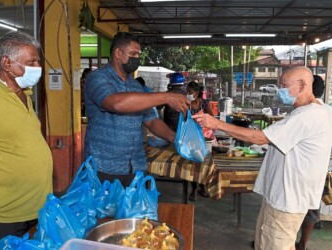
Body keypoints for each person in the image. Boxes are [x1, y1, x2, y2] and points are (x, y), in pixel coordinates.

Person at [192, 66, 332, 250]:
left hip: (286, 199)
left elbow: (262, 138)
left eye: (284, 84)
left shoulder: (307, 115)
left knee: (274, 244)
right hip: (284, 196)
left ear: (303, 85)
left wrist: (216, 123)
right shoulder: (319, 110)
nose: (279, 89)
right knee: (267, 242)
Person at [84, 32, 190, 187]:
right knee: (106, 211)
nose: (137, 59)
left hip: (135, 166)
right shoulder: (98, 78)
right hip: (104, 166)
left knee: (137, 211)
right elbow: (116, 103)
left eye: (138, 55)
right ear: (118, 53)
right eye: (133, 54)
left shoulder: (136, 86)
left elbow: (151, 120)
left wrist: (175, 138)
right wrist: (166, 97)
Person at [0, 31, 53, 248]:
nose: (38, 66)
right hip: (4, 215)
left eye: (38, 60)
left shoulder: (24, 94)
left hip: (37, 207)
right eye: (31, 61)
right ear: (7, 63)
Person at [295, 74, 332, 250]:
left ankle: (292, 243)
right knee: (310, 207)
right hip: (318, 170)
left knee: (295, 208)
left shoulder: (307, 111)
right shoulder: (327, 111)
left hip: (303, 170)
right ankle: (303, 243)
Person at [186, 81, 215, 201]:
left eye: (190, 92)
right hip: (192, 137)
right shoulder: (186, 104)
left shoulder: (205, 103)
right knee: (194, 164)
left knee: (206, 164)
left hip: (206, 136)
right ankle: (194, 188)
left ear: (197, 93)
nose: (187, 94)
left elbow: (211, 117)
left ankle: (203, 186)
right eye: (186, 92)